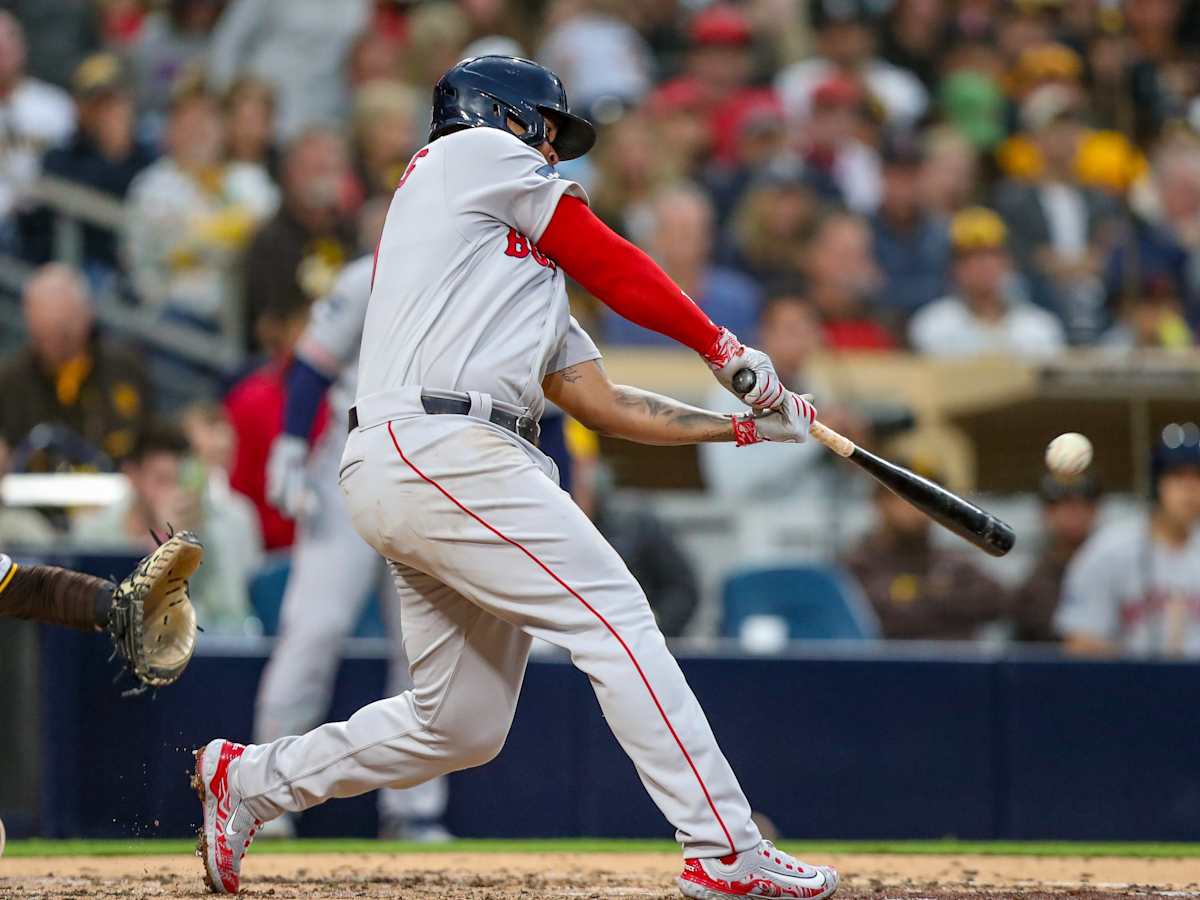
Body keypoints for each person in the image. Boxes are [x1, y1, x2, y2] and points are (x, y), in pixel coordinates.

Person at [193, 55, 837, 900]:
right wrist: (723, 349)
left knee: (457, 723)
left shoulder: (506, 267)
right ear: (499, 114)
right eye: (545, 130)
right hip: (443, 443)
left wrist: (745, 428)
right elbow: (608, 257)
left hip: (431, 459)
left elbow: (598, 403)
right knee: (614, 614)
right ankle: (725, 846)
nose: (553, 153)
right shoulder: (467, 154)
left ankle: (249, 782)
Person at [255, 255, 450, 841]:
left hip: (432, 466)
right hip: (351, 456)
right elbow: (313, 365)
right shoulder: (374, 270)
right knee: (313, 629)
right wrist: (290, 444)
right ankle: (261, 791)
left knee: (421, 648)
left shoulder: (473, 268)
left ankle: (413, 811)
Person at [123, 75, 279, 336]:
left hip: (243, 319)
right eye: (189, 122)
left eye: (208, 120)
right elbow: (174, 244)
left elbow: (271, 226)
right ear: (170, 130)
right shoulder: (153, 185)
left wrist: (213, 236)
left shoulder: (246, 177)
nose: (200, 131)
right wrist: (236, 231)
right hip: (172, 317)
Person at [73, 420, 261, 634]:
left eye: (178, 480)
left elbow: (231, 616)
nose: (173, 492)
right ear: (132, 476)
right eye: (162, 480)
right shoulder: (94, 534)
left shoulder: (216, 534)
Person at [1056, 429, 1200, 658]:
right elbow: (1080, 643)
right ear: (1157, 484)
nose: (1190, 489)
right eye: (1177, 476)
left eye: (1197, 477)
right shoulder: (1109, 550)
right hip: (1125, 688)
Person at [993, 85, 1119, 343]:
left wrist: (1093, 261)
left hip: (1097, 303)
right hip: (1036, 304)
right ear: (1034, 138)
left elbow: (1111, 248)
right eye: (1055, 128)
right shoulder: (1013, 198)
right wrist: (1054, 264)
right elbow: (1016, 253)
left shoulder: (1101, 198)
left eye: (1072, 128)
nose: (1065, 136)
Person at [0, 264, 151, 464]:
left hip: (114, 488)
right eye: (40, 334)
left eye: (61, 330)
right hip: (35, 492)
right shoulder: (11, 381)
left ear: (85, 315)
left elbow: (150, 442)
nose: (50, 342)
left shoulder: (125, 369)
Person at [842, 459, 1008, 640]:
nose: (919, 508)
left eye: (929, 498)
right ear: (879, 501)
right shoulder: (858, 567)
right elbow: (876, 618)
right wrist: (940, 596)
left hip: (953, 664)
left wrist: (919, 599)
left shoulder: (956, 565)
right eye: (907, 497)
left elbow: (998, 602)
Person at [23, 53, 156, 271]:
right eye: (98, 104)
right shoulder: (60, 158)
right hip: (81, 267)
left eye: (115, 101)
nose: (109, 113)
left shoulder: (150, 154)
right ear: (79, 108)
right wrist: (113, 152)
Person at [241, 127, 356, 353]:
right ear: (289, 175)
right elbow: (270, 331)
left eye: (332, 169)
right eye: (314, 169)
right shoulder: (270, 241)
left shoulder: (350, 234)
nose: (323, 179)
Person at [602, 183, 762, 345]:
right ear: (654, 238)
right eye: (673, 230)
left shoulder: (738, 300)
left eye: (690, 231)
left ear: (708, 238)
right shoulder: (627, 304)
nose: (683, 240)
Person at [908, 207, 1067, 358]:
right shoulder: (932, 326)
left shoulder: (1038, 329)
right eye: (971, 257)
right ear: (954, 268)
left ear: (1008, 263)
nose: (984, 265)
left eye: (992, 255)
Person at [206, 0, 371, 140]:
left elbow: (361, 50)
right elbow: (227, 42)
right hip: (267, 95)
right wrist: (224, 96)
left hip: (326, 105)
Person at [0, 11, 75, 246]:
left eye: (9, 40)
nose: (2, 51)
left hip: (43, 220)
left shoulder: (55, 105)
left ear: (23, 46)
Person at [869, 132, 950, 322]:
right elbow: (860, 293)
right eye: (896, 175)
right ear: (883, 177)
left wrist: (886, 290)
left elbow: (947, 292)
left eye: (911, 176)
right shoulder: (862, 231)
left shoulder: (942, 233)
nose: (903, 186)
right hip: (878, 330)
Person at [1012, 472, 1101, 643]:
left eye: (1084, 505)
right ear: (1046, 513)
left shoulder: (1113, 570)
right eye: (1064, 505)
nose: (1075, 513)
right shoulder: (1035, 585)